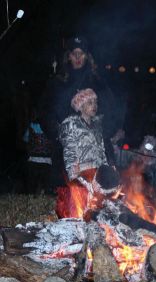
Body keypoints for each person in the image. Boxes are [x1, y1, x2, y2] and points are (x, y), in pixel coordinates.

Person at [38, 35, 120, 189]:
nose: (77, 57)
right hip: (67, 146)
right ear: (68, 56)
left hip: (94, 146)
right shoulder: (57, 82)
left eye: (81, 53)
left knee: (103, 188)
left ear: (87, 56)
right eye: (73, 53)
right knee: (68, 191)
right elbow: (44, 110)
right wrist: (57, 132)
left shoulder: (97, 82)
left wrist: (104, 132)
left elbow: (112, 111)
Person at [56, 88, 120, 218]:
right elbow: (70, 150)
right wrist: (73, 175)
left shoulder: (97, 125)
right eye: (90, 102)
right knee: (81, 209)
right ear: (80, 105)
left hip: (96, 172)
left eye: (95, 102)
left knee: (100, 208)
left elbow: (101, 150)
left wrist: (106, 170)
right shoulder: (71, 124)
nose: (94, 105)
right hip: (82, 172)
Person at [23, 108, 52, 194]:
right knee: (45, 182)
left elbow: (25, 139)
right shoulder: (49, 127)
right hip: (47, 160)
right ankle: (43, 194)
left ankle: (33, 195)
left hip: (33, 159)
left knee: (33, 182)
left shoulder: (31, 126)